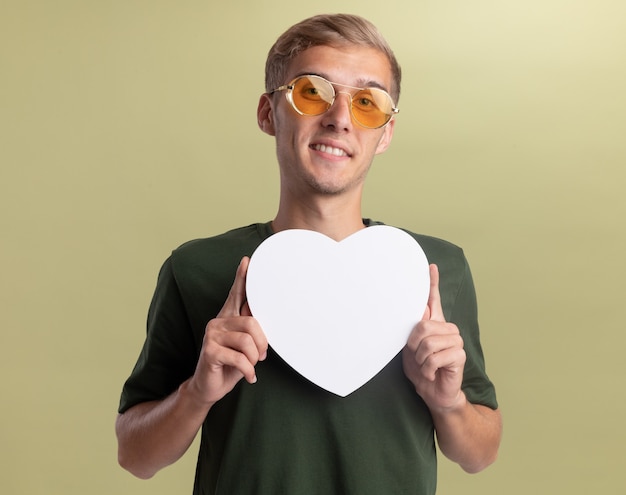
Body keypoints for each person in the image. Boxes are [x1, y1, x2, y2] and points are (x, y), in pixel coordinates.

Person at [116, 13, 502, 495]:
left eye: (367, 102)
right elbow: (134, 455)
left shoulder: (431, 270)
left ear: (385, 134)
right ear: (267, 113)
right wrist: (198, 392)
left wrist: (447, 403)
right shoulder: (195, 270)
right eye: (312, 92)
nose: (340, 118)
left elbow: (481, 453)